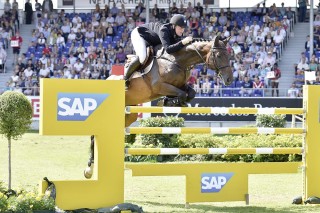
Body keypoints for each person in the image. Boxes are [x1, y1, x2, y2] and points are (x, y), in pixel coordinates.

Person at [124, 14, 193, 88]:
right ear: (174, 26)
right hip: (139, 34)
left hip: (151, 39)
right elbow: (168, 49)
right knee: (142, 57)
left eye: (183, 28)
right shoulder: (164, 30)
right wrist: (182, 42)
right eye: (180, 28)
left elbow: (177, 49)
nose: (182, 30)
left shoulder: (176, 34)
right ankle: (125, 78)